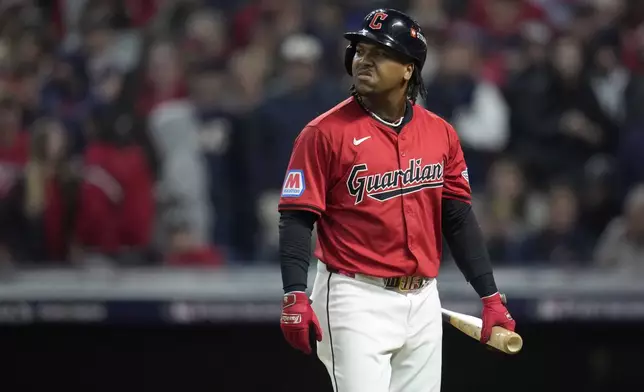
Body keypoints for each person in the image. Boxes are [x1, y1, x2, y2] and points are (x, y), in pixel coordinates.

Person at [277, 8, 516, 392]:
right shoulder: (322, 133)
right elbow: (296, 217)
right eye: (360, 50)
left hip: (423, 299)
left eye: (379, 52)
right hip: (354, 296)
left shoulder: (441, 134)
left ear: (408, 69)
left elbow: (456, 217)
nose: (364, 60)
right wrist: (294, 293)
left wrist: (489, 295)